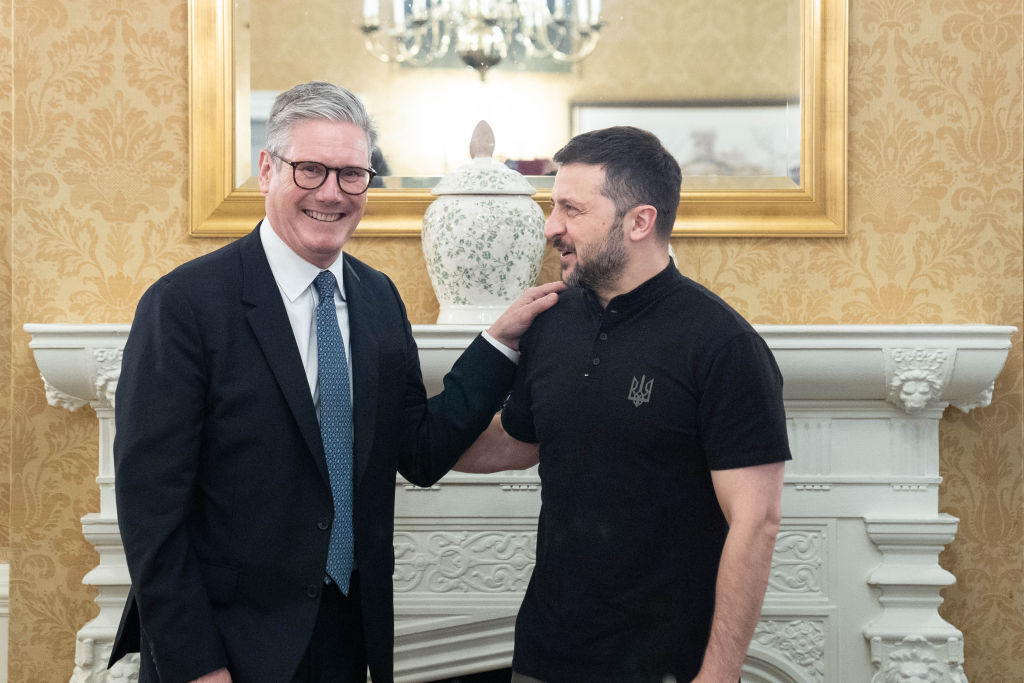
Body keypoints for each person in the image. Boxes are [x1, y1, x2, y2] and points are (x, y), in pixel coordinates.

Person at [108, 81, 563, 683]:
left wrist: (500, 342)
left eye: (353, 174)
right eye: (311, 170)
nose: (332, 193)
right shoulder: (185, 305)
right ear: (268, 169)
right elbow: (150, 510)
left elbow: (419, 452)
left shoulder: (376, 298)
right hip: (225, 647)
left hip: (349, 640)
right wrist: (197, 666)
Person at [455, 126, 791, 683]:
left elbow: (756, 522)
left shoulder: (723, 345)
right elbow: (516, 442)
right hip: (545, 653)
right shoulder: (551, 320)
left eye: (571, 209)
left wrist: (719, 673)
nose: (551, 227)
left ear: (639, 221)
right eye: (552, 206)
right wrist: (390, 436)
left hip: (666, 664)